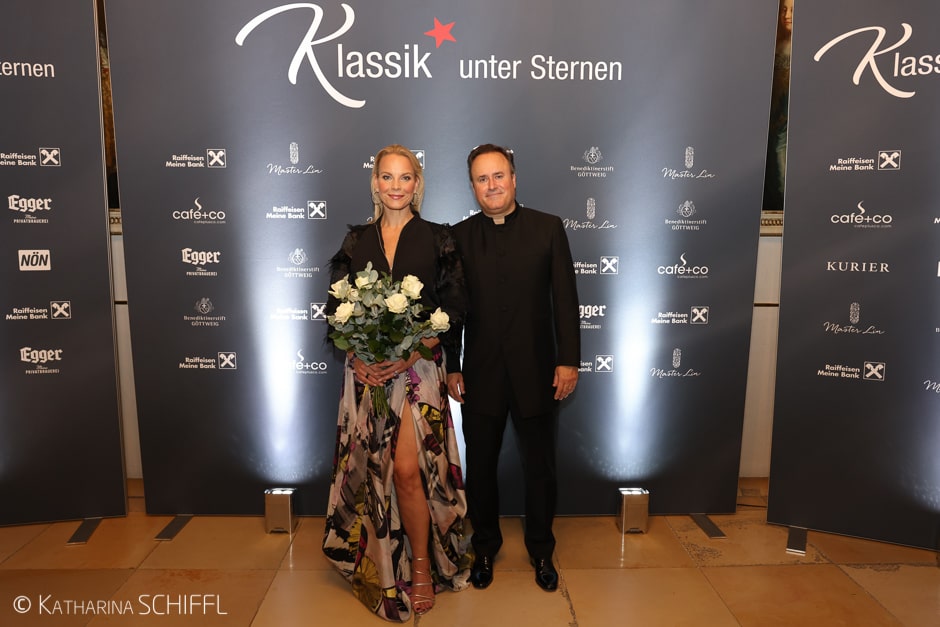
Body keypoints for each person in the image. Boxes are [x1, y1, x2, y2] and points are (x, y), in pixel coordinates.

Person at [322, 144, 471, 621]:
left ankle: (422, 567)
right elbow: (335, 311)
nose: (395, 186)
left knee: (407, 470)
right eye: (387, 177)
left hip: (417, 371)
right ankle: (381, 564)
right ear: (375, 183)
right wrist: (356, 355)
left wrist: (411, 350)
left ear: (417, 184)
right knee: (373, 471)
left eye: (405, 177)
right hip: (366, 376)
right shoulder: (356, 241)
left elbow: (454, 308)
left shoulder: (438, 238)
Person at [445, 144, 580, 592]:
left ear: (514, 178)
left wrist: (568, 360)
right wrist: (452, 365)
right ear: (472, 187)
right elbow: (452, 311)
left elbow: (565, 300)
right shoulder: (458, 238)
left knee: (540, 469)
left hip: (538, 374)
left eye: (498, 175)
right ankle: (484, 547)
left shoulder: (548, 228)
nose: (492, 186)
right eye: (482, 179)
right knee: (481, 469)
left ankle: (541, 549)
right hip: (480, 375)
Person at [763, 0, 792, 213]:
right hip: (774, 112)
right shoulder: (775, 44)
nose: (787, 15)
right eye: (784, 10)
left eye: (792, 10)